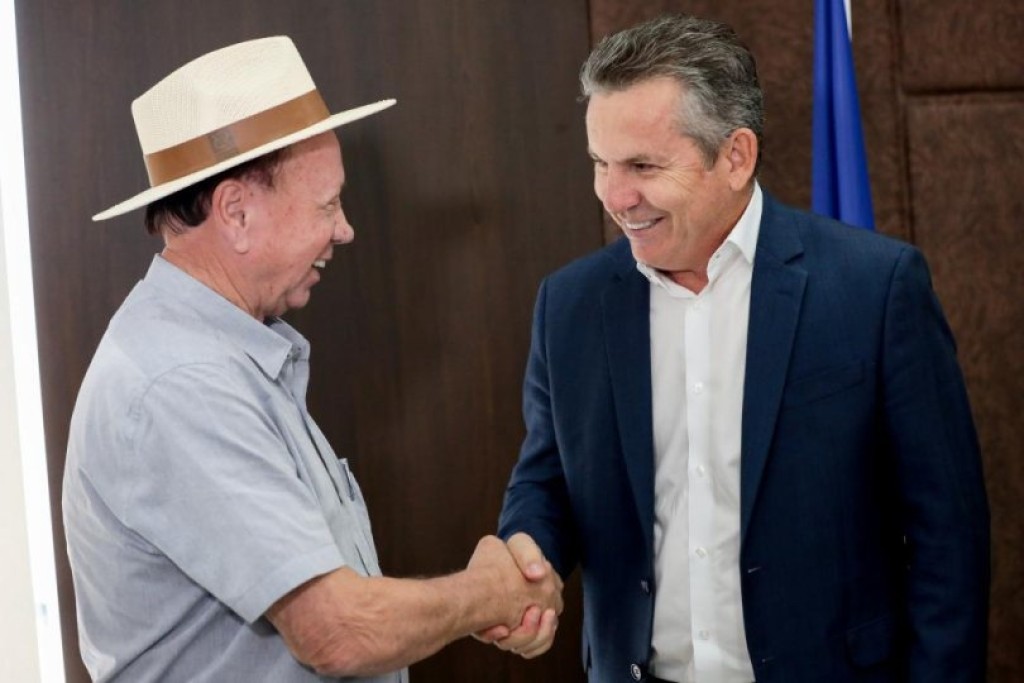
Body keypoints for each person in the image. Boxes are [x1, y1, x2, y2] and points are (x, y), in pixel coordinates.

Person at [495, 14, 990, 683]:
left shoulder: (875, 289)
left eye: (642, 165)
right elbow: (547, 481)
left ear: (735, 156)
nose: (614, 196)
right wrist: (525, 557)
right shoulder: (570, 305)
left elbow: (947, 538)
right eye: (600, 163)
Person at [62, 36, 561, 682]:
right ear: (236, 212)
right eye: (327, 204)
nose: (344, 228)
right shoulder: (184, 382)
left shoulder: (218, 354)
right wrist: (490, 592)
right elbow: (336, 631)